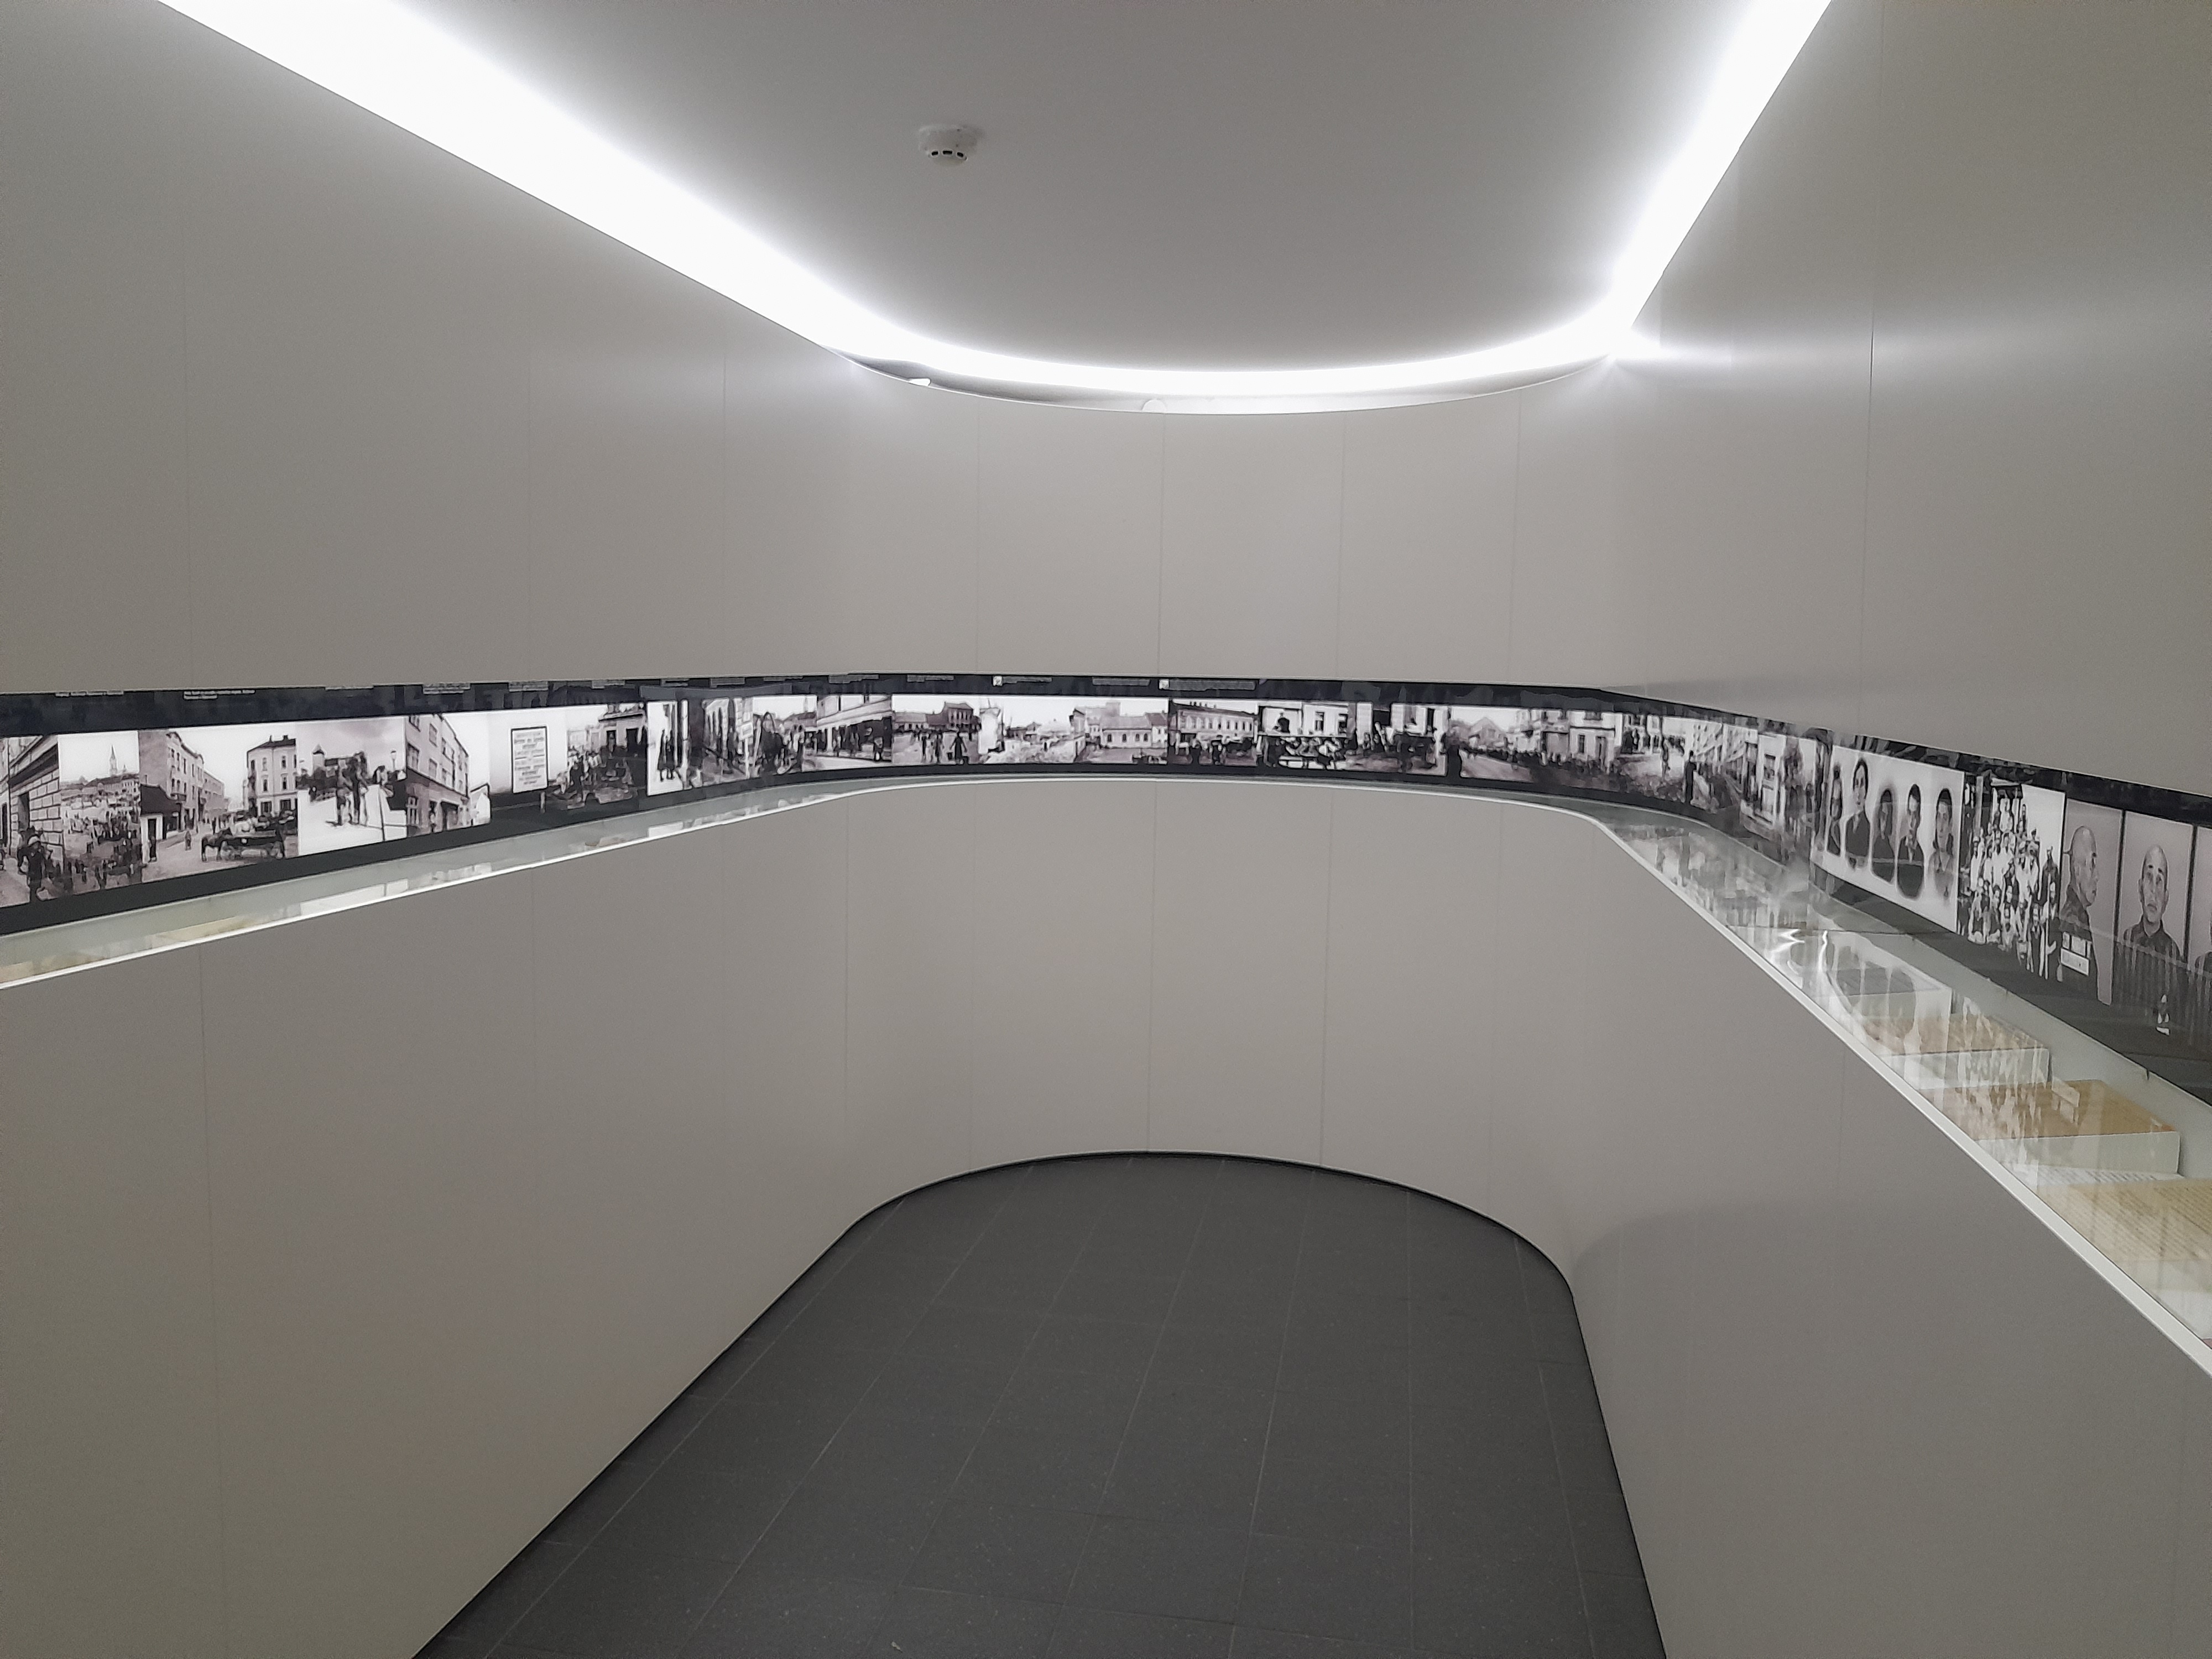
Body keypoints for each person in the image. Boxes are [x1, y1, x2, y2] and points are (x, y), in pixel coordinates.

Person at [2115, 842, 2183, 1029]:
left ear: (2166, 898)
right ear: (2140, 889)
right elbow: (2116, 1007)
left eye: (2160, 880)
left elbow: (2177, 1023)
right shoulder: (2126, 941)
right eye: (2149, 877)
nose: (2153, 890)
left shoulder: (2174, 955)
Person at [2053, 824, 2101, 994]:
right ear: (2077, 870)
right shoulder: (2072, 923)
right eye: (2092, 864)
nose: (2097, 876)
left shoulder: (2078, 918)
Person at [1895, 785, 1927, 900]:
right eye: (1909, 813)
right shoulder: (1900, 846)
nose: (1912, 821)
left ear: (1919, 819)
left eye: (1915, 815)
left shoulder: (1921, 854)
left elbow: (1917, 889)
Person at [1929, 787, 1956, 906]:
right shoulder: (1932, 861)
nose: (1940, 827)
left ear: (1950, 825)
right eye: (1938, 817)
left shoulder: (1954, 865)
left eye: (1945, 818)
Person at [1843, 760, 1871, 868]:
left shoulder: (1868, 827)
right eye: (1856, 784)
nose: (1859, 792)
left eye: (1862, 784)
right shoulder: (1849, 824)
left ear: (1867, 789)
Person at [1871, 787, 1897, 883]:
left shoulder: (1890, 853)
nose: (1884, 820)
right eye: (1882, 815)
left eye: (1887, 816)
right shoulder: (1875, 844)